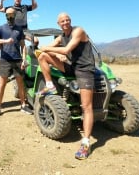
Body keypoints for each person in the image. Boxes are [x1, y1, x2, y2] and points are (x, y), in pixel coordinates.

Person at [36, 12, 95, 160]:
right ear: (58, 24)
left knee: (86, 106)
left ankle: (86, 143)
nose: (65, 22)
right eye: (62, 21)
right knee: (43, 57)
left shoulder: (78, 31)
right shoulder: (61, 36)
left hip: (84, 70)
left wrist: (51, 50)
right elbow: (48, 48)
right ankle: (50, 86)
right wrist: (43, 48)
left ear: (71, 21)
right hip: (72, 67)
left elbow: (66, 50)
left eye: (67, 20)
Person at [0, 7, 33, 118]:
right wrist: (5, 41)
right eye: (8, 15)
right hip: (5, 60)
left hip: (18, 60)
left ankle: (23, 105)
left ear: (15, 15)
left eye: (12, 14)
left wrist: (24, 59)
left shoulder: (19, 29)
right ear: (5, 16)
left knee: (20, 84)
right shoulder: (1, 28)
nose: (10, 17)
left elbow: (23, 46)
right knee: (2, 84)